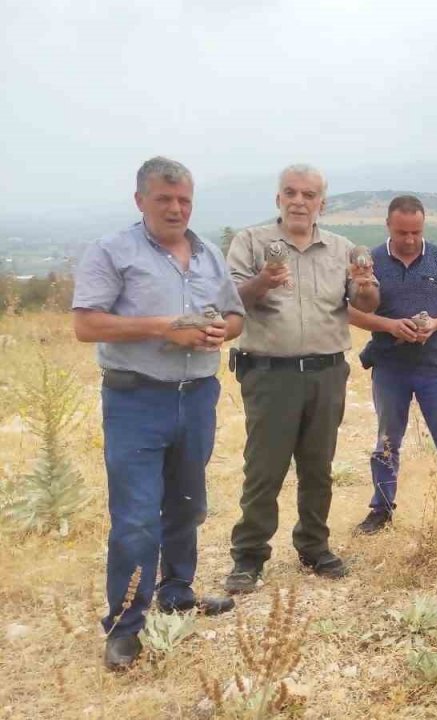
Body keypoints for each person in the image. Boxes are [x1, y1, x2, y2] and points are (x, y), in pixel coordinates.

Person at [72, 157, 245, 670]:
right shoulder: (111, 251)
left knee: (188, 504)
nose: (175, 208)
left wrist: (222, 331)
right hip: (135, 399)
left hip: (197, 396)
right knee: (135, 520)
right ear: (140, 200)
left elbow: (235, 314)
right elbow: (86, 325)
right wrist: (164, 327)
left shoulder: (209, 253)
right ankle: (125, 626)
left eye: (184, 200)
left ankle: (177, 591)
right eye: (165, 198)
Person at [223, 164, 379, 594]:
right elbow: (230, 299)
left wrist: (365, 287)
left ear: (321, 204)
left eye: (308, 195)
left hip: (327, 373)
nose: (298, 201)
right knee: (264, 470)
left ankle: (314, 546)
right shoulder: (251, 243)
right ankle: (249, 556)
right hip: (271, 375)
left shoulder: (342, 248)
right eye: (290, 192)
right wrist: (264, 280)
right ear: (278, 199)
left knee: (318, 468)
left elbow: (364, 300)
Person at [347, 195, 437, 543]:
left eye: (416, 232)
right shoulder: (372, 261)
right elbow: (350, 312)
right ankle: (381, 508)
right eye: (402, 232)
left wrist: (436, 324)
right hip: (390, 367)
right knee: (387, 442)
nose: (409, 239)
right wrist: (389, 326)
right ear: (388, 227)